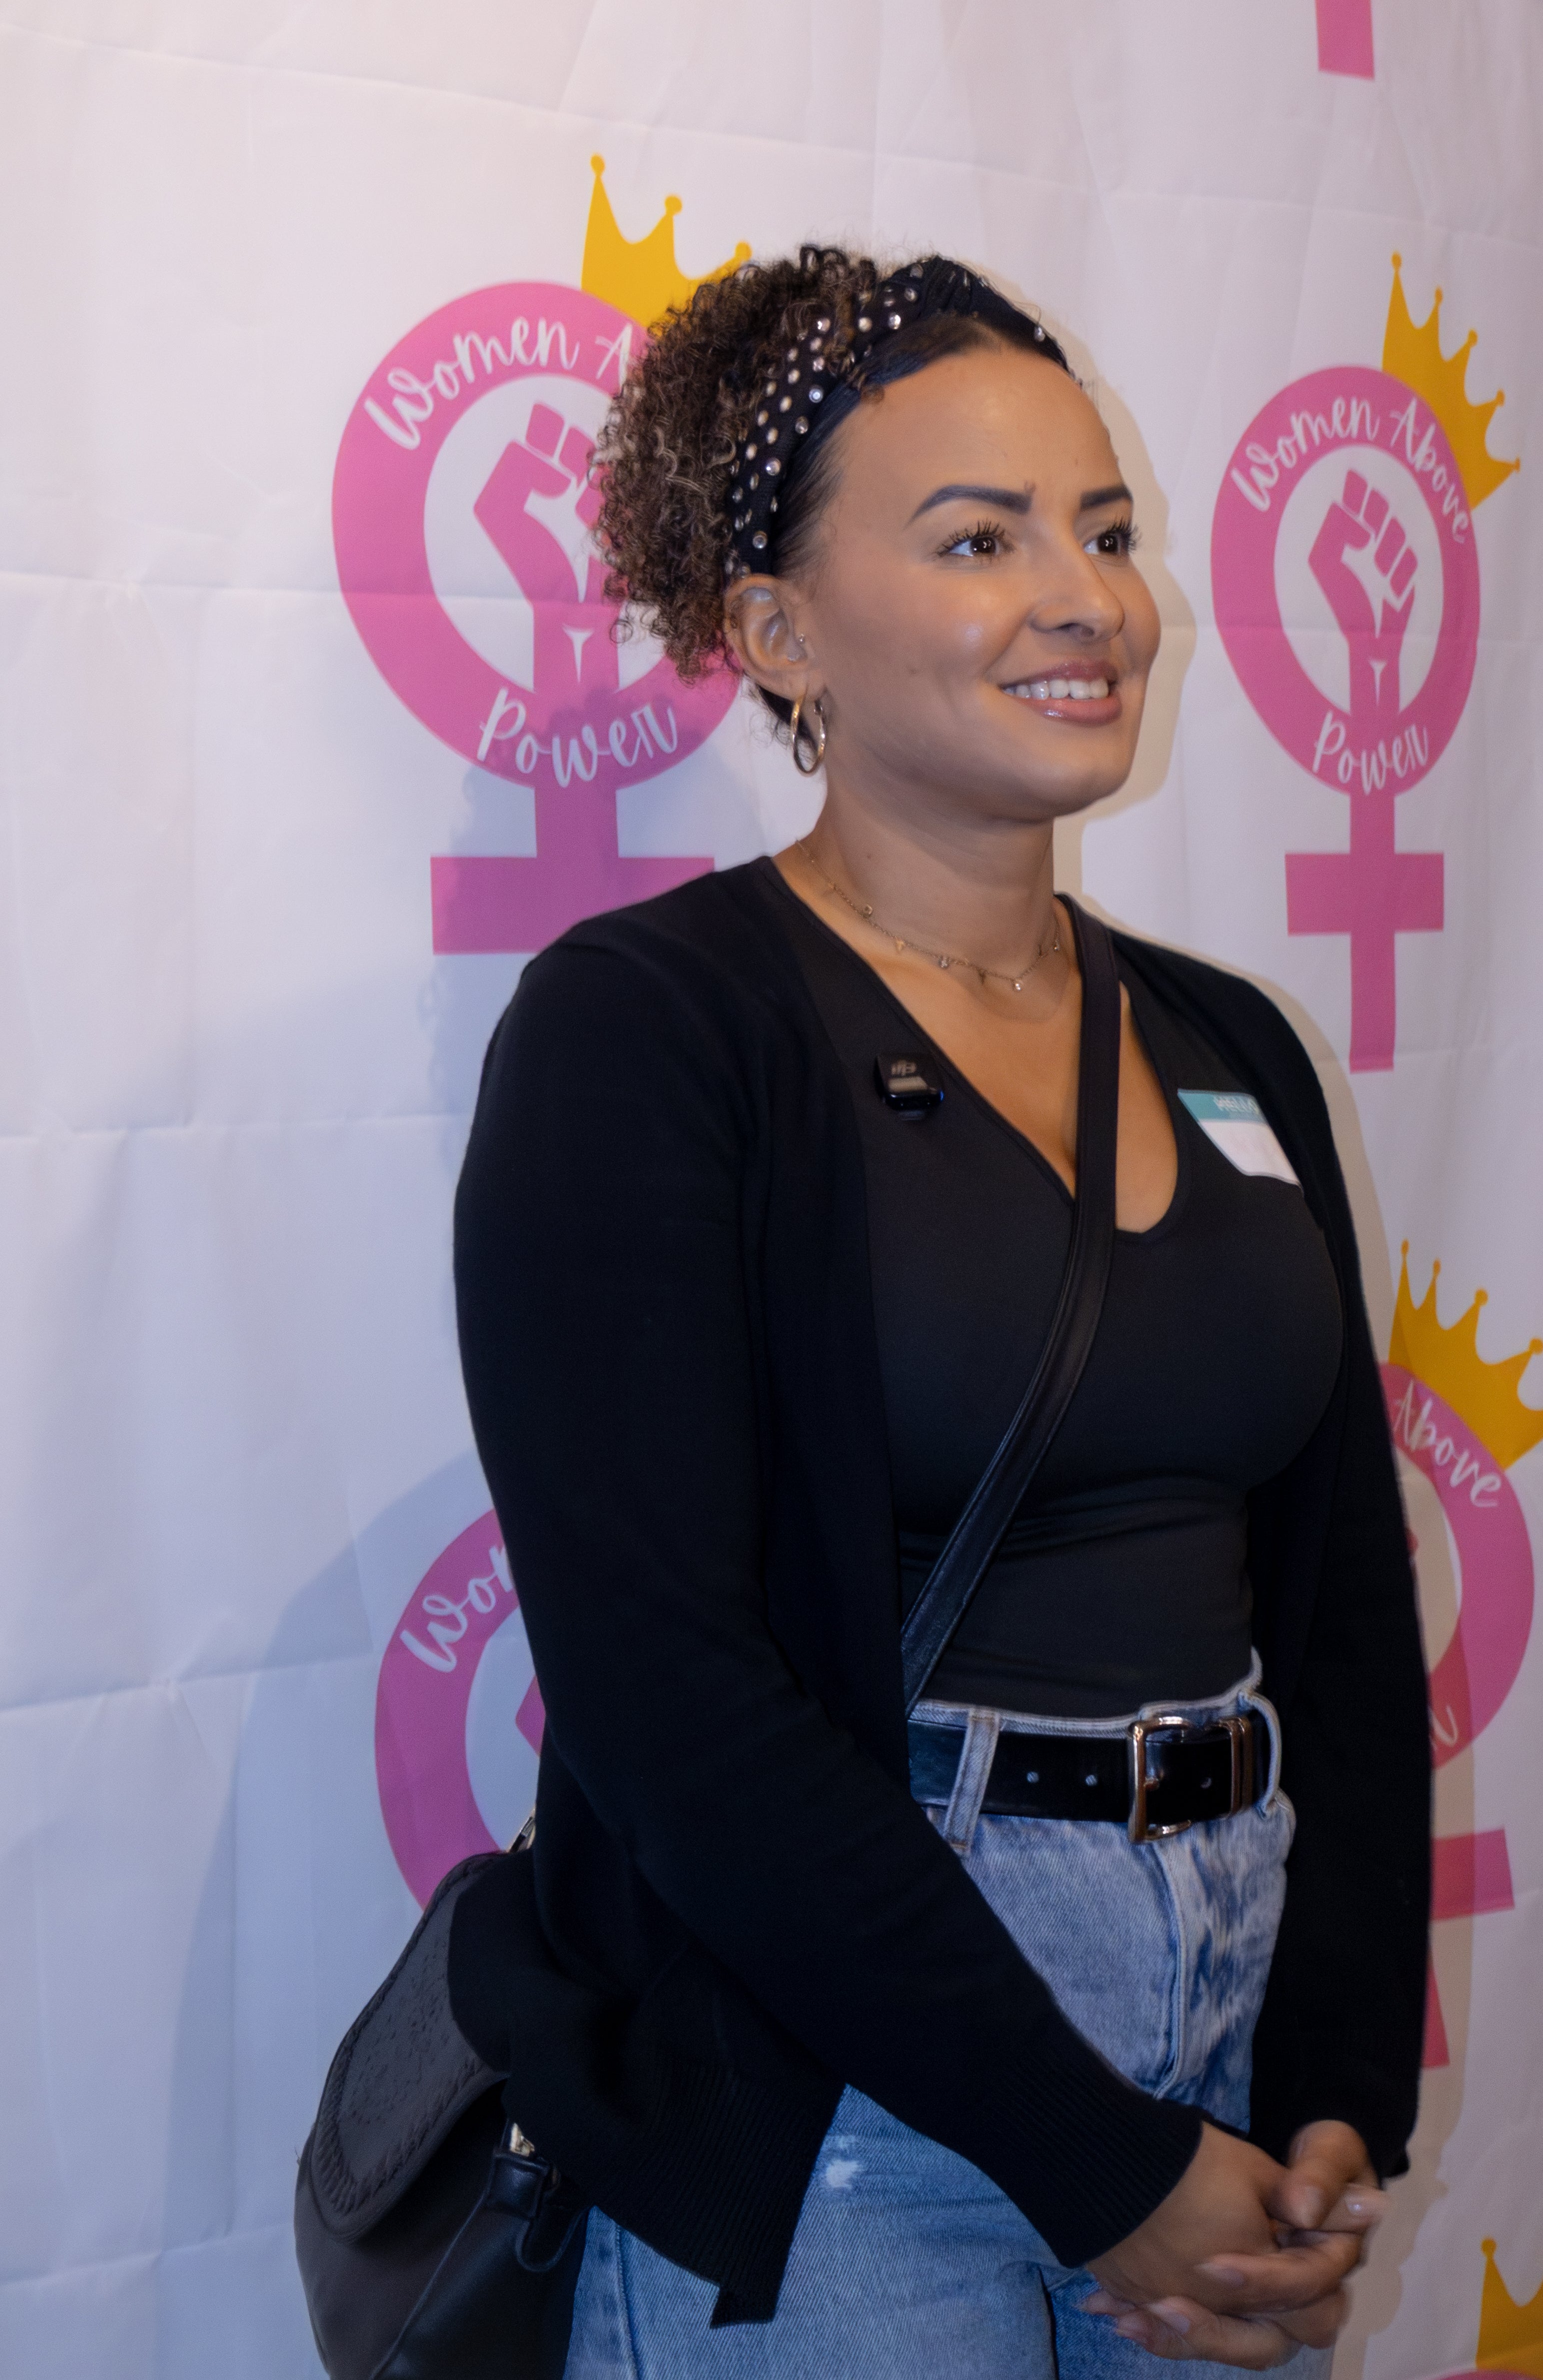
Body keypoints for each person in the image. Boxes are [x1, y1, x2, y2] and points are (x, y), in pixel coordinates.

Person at [448, 248, 1430, 2377]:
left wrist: (1334, 2065)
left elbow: (1341, 1597)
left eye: (1103, 530)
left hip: (1232, 2036)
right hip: (837, 2087)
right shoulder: (652, 1035)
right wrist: (1095, 2158)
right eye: (978, 540)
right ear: (776, 631)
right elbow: (666, 1703)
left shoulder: (1230, 1043)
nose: (1083, 597)